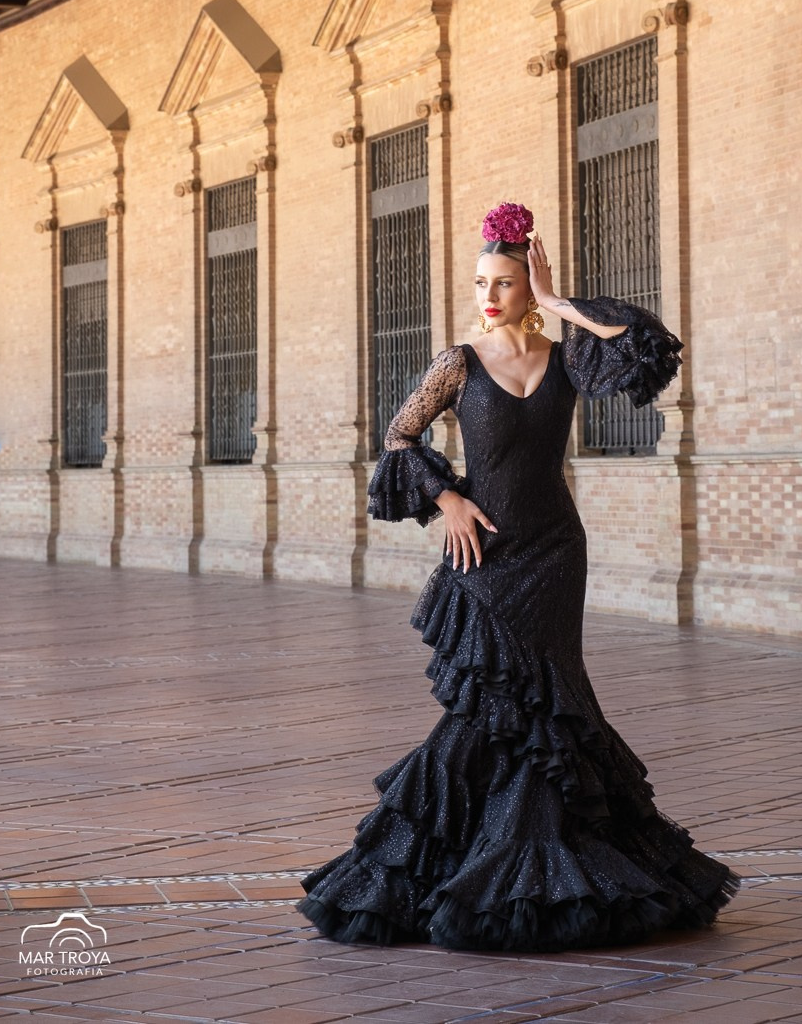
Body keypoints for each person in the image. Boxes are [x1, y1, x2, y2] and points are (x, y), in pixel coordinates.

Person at [296, 201, 740, 951]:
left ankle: (544, 863)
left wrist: (563, 300)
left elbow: (647, 346)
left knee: (553, 699)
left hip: (556, 551)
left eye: (504, 283)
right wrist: (448, 500)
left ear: (527, 288)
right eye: (480, 284)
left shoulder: (568, 358)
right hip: (486, 554)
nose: (490, 297)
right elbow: (398, 436)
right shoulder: (458, 362)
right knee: (488, 702)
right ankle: (449, 865)